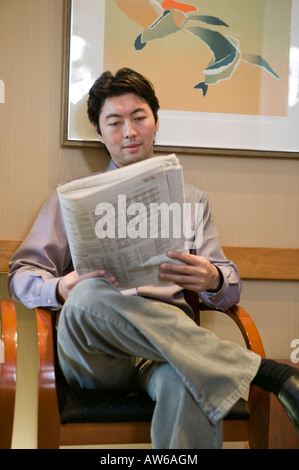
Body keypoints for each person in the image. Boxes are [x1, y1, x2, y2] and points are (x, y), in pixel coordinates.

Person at [8, 67, 299, 449]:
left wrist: (212, 278)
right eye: (114, 122)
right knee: (88, 294)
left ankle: (247, 373)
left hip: (165, 353)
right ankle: (267, 373)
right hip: (95, 350)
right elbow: (21, 276)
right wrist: (61, 287)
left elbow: (228, 288)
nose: (128, 131)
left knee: (191, 381)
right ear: (99, 131)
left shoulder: (192, 201)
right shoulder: (69, 197)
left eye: (139, 118)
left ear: (156, 122)